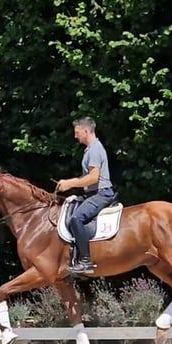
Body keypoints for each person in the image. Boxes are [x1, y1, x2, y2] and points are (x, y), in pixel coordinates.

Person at [56, 117, 118, 274]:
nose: (75, 136)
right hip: (92, 193)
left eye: (77, 133)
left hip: (101, 193)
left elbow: (93, 178)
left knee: (76, 219)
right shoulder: (91, 149)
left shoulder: (95, 150)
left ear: (86, 131)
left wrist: (69, 184)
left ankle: (86, 261)